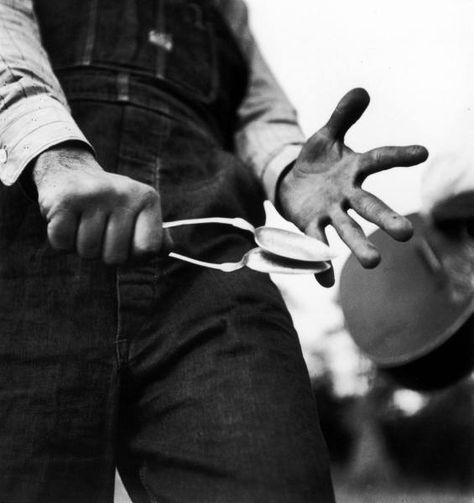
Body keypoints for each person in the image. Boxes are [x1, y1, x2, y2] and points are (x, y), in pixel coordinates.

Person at [0, 0, 428, 501]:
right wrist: (57, 156)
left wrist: (290, 171)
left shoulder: (229, 9)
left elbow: (261, 112)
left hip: (214, 272)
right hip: (33, 243)